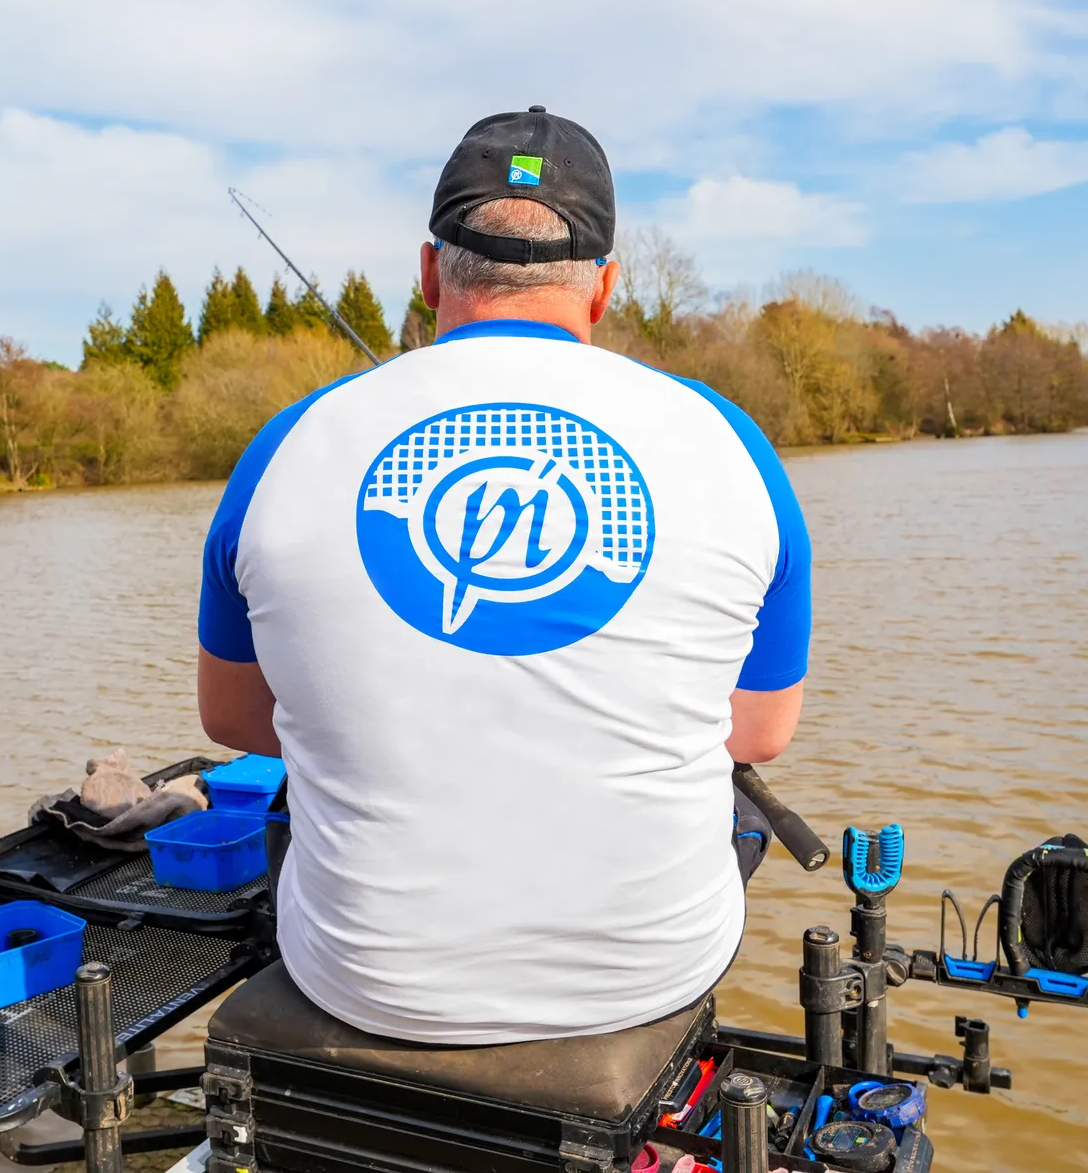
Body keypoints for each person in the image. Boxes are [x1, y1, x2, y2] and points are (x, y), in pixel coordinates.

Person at [197, 107, 811, 1046]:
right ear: (604, 287)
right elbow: (759, 732)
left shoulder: (288, 445)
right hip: (652, 970)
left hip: (361, 978)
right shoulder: (730, 444)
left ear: (432, 269)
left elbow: (237, 720)